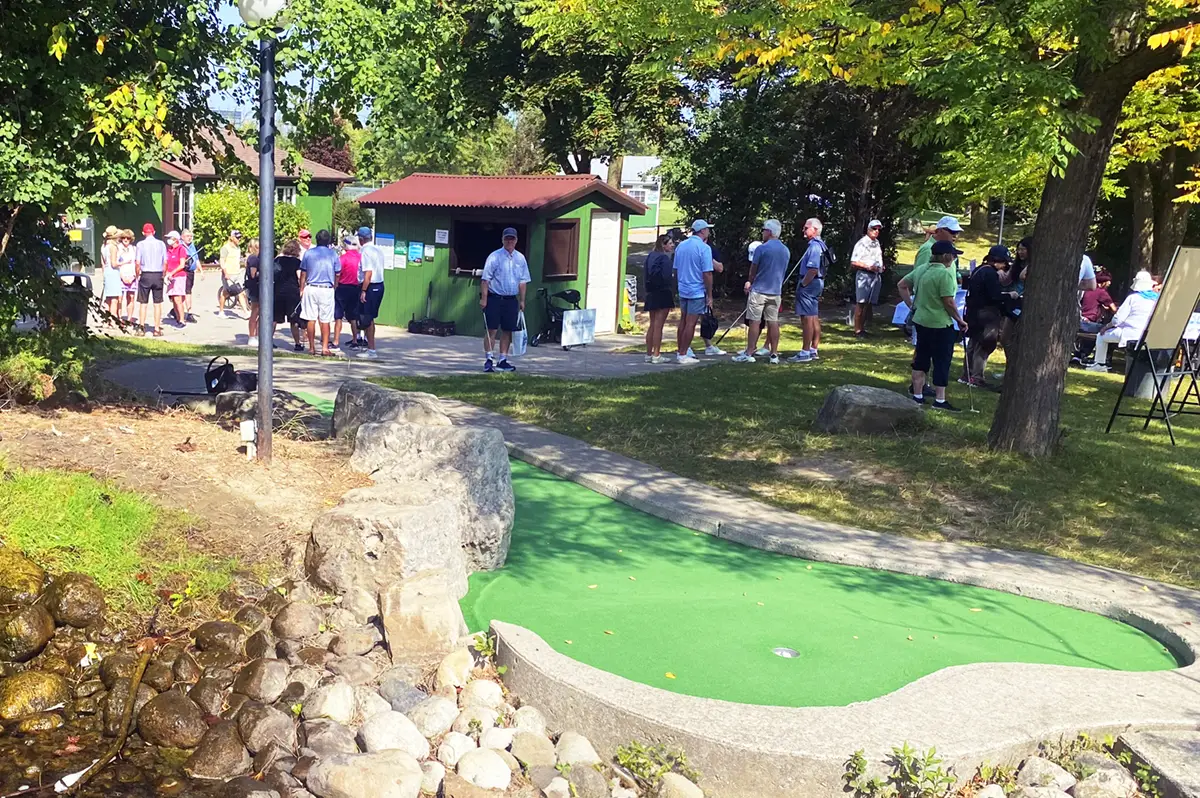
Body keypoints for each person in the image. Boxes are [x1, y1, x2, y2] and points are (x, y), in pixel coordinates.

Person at [910, 240, 968, 411]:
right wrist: (959, 320)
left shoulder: (921, 270)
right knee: (941, 360)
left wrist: (911, 305)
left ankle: (917, 395)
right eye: (953, 255)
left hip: (921, 320)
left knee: (921, 358)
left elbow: (902, 285)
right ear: (945, 256)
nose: (954, 258)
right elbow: (949, 301)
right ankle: (940, 400)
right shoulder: (944, 274)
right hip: (940, 323)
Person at [733, 219, 789, 365]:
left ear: (769, 232)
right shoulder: (785, 250)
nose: (762, 232)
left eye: (764, 230)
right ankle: (774, 353)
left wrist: (750, 281)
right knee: (773, 322)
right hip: (776, 291)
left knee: (754, 322)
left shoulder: (762, 249)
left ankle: (749, 352)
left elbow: (753, 270)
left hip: (759, 290)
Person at [961, 245, 1016, 387]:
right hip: (986, 314)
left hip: (973, 312)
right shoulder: (991, 274)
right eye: (1004, 262)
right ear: (997, 260)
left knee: (973, 344)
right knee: (984, 345)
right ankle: (977, 377)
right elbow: (994, 296)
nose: (1004, 266)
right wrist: (1008, 295)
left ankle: (966, 375)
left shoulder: (979, 269)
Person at [480, 227, 531, 372]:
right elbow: (485, 279)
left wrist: (522, 300)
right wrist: (484, 299)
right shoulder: (494, 257)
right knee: (492, 329)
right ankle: (489, 359)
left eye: (512, 239)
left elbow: (523, 281)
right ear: (502, 239)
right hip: (495, 298)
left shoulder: (520, 258)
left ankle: (503, 359)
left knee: (508, 330)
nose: (510, 241)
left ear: (516, 240)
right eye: (507, 238)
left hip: (511, 299)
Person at [1088, 271, 1159, 372]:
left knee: (1101, 336)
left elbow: (1118, 319)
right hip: (1147, 335)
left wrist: (1107, 326)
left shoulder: (1133, 298)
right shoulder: (1156, 300)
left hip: (1129, 333)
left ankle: (1100, 364)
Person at [673, 220, 715, 365]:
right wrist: (709, 295)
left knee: (683, 321)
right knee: (691, 323)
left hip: (683, 288)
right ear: (702, 231)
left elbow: (676, 269)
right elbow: (707, 273)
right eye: (707, 229)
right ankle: (683, 354)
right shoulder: (704, 248)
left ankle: (680, 350)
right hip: (697, 290)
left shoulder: (681, 246)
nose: (709, 232)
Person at [788, 218, 828, 364]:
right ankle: (813, 349)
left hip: (810, 283)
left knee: (807, 318)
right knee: (813, 316)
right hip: (817, 283)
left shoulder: (814, 247)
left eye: (806, 228)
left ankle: (805, 351)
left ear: (815, 230)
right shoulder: (821, 245)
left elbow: (812, 269)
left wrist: (803, 284)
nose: (803, 231)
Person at [300, 229, 339, 356]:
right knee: (325, 319)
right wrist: (335, 285)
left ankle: (311, 348)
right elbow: (337, 272)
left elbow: (303, 273)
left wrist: (301, 288)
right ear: (328, 241)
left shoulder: (308, 253)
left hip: (311, 287)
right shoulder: (333, 254)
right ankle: (324, 348)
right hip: (326, 288)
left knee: (310, 319)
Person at [642, 234, 676, 364]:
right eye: (670, 243)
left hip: (651, 293)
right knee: (658, 325)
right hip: (663, 293)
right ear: (663, 245)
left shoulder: (650, 256)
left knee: (652, 324)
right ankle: (657, 354)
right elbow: (667, 278)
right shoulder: (664, 259)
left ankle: (648, 353)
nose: (672, 245)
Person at [1074, 269, 1118, 365]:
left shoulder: (1086, 290)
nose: (1108, 285)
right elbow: (1114, 309)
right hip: (1088, 323)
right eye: (1108, 283)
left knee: (1096, 329)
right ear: (1103, 283)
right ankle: (1105, 358)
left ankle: (1080, 355)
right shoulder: (1101, 292)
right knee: (1109, 331)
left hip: (1079, 321)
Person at [850, 220, 886, 337]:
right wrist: (869, 267)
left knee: (868, 303)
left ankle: (863, 328)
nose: (876, 231)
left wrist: (881, 266)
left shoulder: (876, 243)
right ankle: (857, 330)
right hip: (864, 275)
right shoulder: (862, 243)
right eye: (874, 229)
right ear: (868, 229)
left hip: (875, 276)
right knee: (861, 303)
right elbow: (854, 262)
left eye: (878, 229)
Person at [357, 226, 386, 359]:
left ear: (361, 239)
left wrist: (363, 290)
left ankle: (371, 350)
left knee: (367, 318)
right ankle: (370, 347)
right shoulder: (377, 249)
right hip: (379, 285)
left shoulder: (366, 251)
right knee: (370, 318)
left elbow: (368, 273)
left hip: (371, 286)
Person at [135, 222, 167, 336]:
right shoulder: (161, 244)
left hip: (146, 274)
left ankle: (142, 327)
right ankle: (157, 329)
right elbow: (165, 262)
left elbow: (138, 263)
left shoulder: (140, 245)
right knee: (157, 303)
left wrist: (137, 274)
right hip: (158, 274)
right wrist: (163, 274)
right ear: (154, 232)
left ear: (143, 233)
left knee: (143, 303)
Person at [273, 239, 305, 352]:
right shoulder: (296, 262)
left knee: (274, 318)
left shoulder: (277, 259)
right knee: (293, 319)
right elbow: (299, 276)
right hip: (292, 292)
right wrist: (302, 288)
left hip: (278, 291)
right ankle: (297, 343)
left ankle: (269, 341)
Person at [334, 234, 362, 351]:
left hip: (342, 288)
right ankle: (355, 339)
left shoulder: (343, 258)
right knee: (353, 316)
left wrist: (335, 286)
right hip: (356, 288)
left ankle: (336, 341)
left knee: (338, 315)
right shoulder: (361, 257)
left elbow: (338, 274)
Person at [164, 230, 189, 328]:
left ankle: (182, 320)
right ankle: (177, 318)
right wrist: (167, 273)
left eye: (170, 238)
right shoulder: (169, 249)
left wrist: (172, 273)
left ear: (175, 239)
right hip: (170, 277)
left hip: (179, 276)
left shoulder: (181, 249)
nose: (168, 240)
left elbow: (182, 265)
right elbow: (166, 263)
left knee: (178, 299)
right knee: (173, 299)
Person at [218, 230, 247, 314]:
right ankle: (221, 311)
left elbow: (238, 259)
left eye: (240, 237)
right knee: (225, 293)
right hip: (229, 274)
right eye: (237, 237)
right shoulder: (225, 248)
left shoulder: (238, 248)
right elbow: (222, 261)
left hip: (237, 273)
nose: (239, 239)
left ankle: (246, 312)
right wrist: (225, 273)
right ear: (232, 238)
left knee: (240, 292)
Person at [100, 226, 123, 327]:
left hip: (106, 272)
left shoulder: (103, 246)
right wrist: (123, 262)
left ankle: (106, 319)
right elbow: (114, 263)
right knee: (114, 298)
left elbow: (103, 263)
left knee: (107, 298)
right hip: (113, 272)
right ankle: (113, 320)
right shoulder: (113, 247)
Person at [117, 228, 138, 323]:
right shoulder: (117, 248)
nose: (126, 239)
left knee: (131, 297)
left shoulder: (134, 249)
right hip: (121, 276)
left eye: (128, 238)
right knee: (119, 298)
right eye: (124, 237)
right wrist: (122, 277)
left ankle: (129, 318)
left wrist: (134, 277)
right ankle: (119, 318)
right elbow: (116, 264)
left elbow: (137, 263)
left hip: (132, 276)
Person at [244, 239, 261, 346]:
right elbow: (253, 274)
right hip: (255, 287)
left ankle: (258, 335)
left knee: (260, 313)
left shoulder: (255, 258)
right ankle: (252, 336)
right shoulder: (254, 258)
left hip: (256, 287)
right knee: (255, 311)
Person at [181, 228, 200, 322]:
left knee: (189, 291)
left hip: (191, 272)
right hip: (183, 272)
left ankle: (187, 311)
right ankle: (184, 311)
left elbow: (196, 258)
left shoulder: (192, 246)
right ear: (182, 237)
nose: (190, 238)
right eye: (187, 236)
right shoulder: (181, 246)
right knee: (184, 292)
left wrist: (201, 270)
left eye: (191, 236)